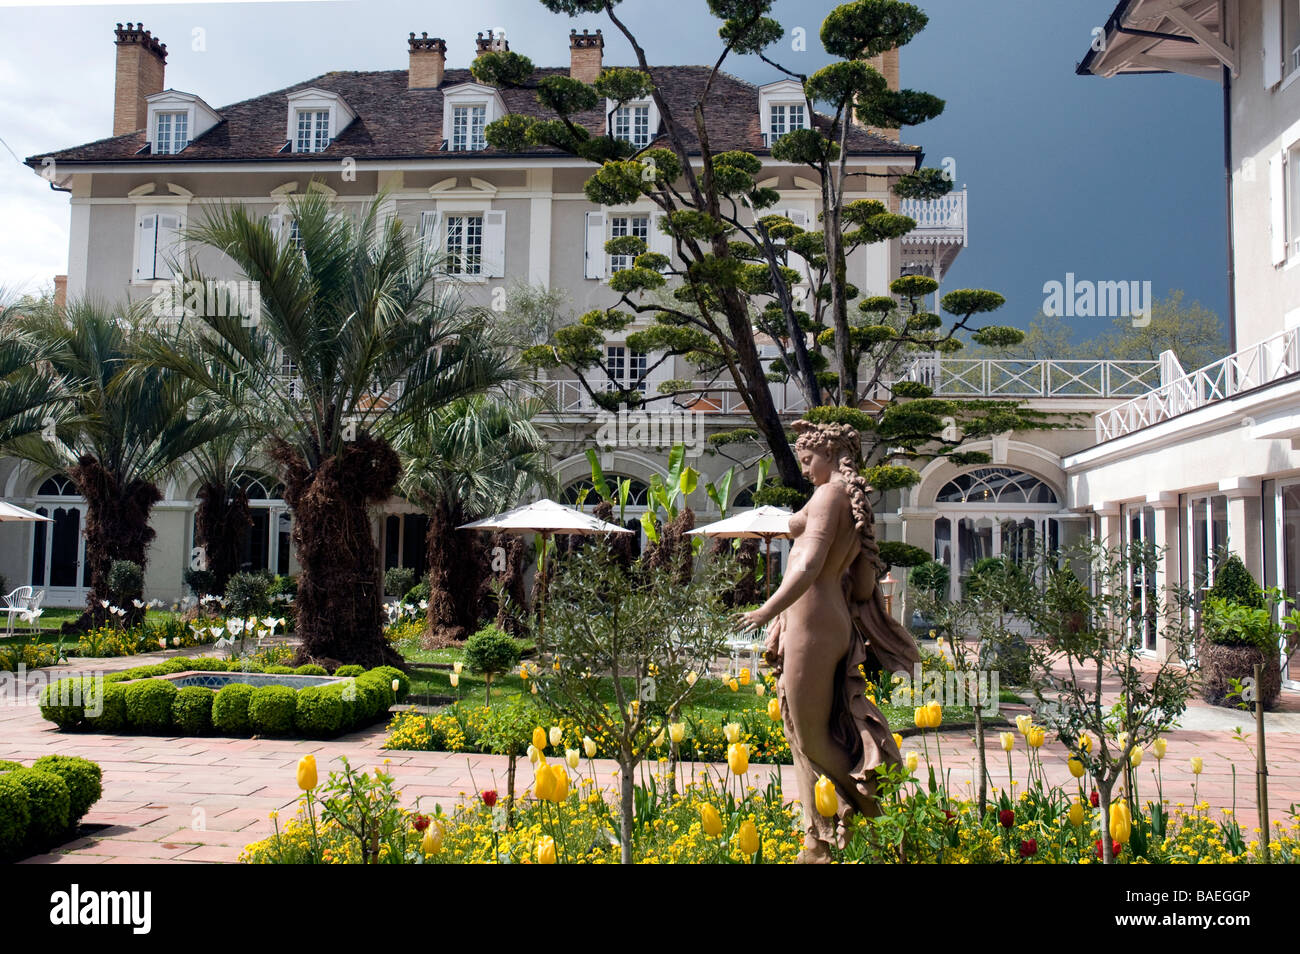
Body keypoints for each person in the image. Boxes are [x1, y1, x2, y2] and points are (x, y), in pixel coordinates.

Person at [737, 419, 921, 862]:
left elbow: (810, 563)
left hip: (811, 625)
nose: (804, 470)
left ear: (831, 455)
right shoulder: (844, 501)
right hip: (830, 623)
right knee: (805, 733)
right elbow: (860, 588)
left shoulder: (828, 495)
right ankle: (818, 840)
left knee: (811, 737)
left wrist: (768, 608)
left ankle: (885, 829)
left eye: (807, 460)